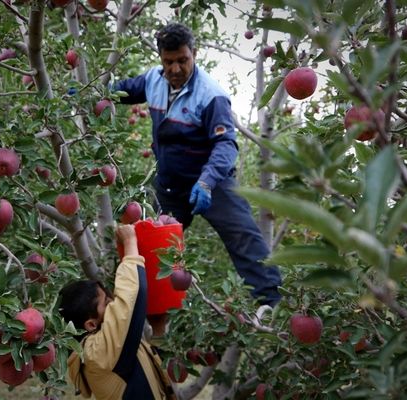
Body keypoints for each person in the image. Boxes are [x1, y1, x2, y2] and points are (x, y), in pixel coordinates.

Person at [114, 22, 282, 307]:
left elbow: (226, 145)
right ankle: (154, 310)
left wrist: (206, 181)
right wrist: (97, 92)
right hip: (171, 185)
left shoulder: (210, 95)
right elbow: (124, 90)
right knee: (155, 247)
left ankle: (271, 303)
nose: (176, 69)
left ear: (194, 53)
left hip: (212, 184)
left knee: (243, 237)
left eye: (183, 60)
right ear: (160, 59)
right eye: (169, 62)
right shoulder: (153, 80)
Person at [59, 224, 176, 400]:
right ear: (91, 324)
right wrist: (130, 242)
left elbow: (147, 371)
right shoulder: (98, 352)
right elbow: (132, 296)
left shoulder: (114, 344)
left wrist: (158, 332)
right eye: (106, 303)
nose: (113, 302)